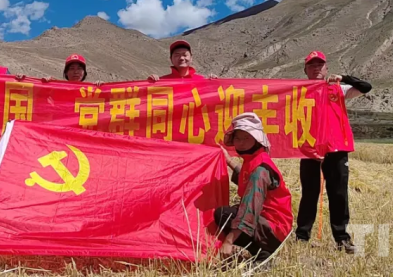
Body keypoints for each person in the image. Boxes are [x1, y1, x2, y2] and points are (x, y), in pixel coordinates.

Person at [294, 51, 372, 254]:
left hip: (336, 149)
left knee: (338, 194)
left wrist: (344, 77)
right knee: (309, 193)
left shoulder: (339, 88)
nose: (316, 68)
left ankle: (342, 238)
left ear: (326, 68)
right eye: (311, 65)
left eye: (320, 64)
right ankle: (302, 236)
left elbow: (366, 87)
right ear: (305, 70)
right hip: (310, 149)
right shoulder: (297, 91)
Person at [215, 112, 293, 265]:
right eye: (237, 138)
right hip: (266, 220)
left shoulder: (261, 169)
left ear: (256, 139)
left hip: (274, 226)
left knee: (225, 215)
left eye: (246, 138)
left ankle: (265, 252)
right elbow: (246, 178)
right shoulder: (253, 159)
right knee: (226, 214)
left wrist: (229, 241)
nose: (241, 143)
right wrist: (229, 161)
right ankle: (260, 250)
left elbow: (249, 209)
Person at [147, 40, 217, 82]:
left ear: (191, 58)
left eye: (185, 55)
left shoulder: (202, 80)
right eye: (177, 55)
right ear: (171, 59)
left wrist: (215, 83)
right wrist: (149, 84)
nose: (181, 58)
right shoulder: (162, 82)